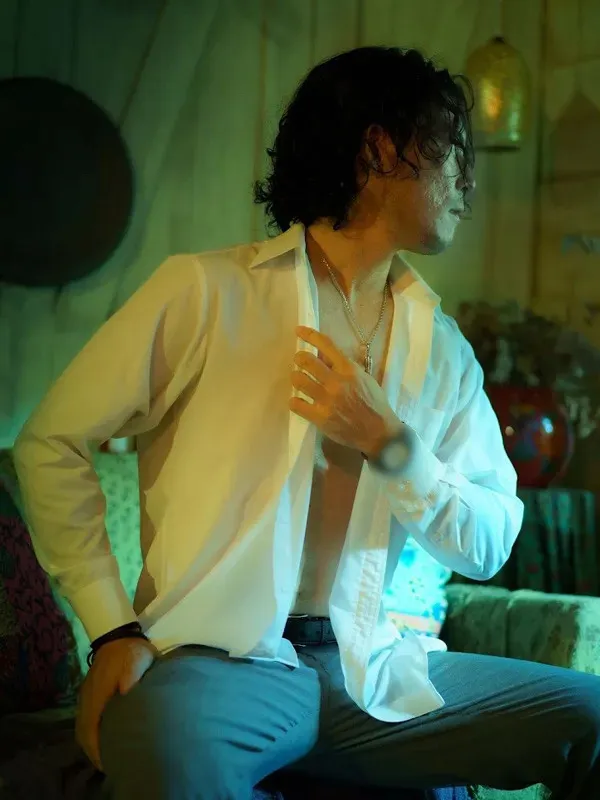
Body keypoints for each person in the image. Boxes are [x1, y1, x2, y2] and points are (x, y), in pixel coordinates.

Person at [13, 46, 600, 800]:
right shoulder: (206, 292)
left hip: (374, 669)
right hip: (216, 666)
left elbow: (490, 542)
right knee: (165, 754)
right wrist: (112, 629)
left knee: (589, 715)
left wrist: (393, 446)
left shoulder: (444, 350)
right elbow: (50, 440)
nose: (469, 182)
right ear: (379, 149)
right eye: (453, 149)